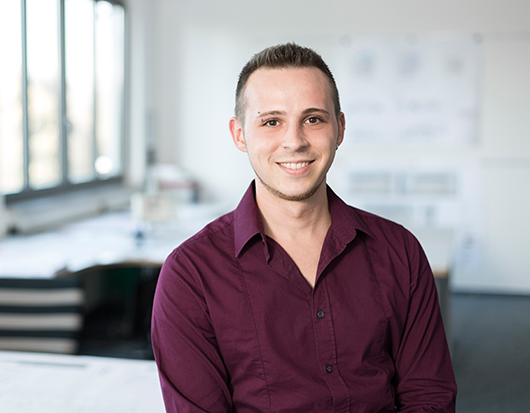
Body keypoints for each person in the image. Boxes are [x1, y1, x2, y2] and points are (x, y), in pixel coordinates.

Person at [151, 43, 457, 412]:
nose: (294, 141)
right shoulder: (190, 275)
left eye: (313, 119)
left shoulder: (400, 252)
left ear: (339, 129)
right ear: (239, 134)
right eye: (271, 122)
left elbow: (430, 396)